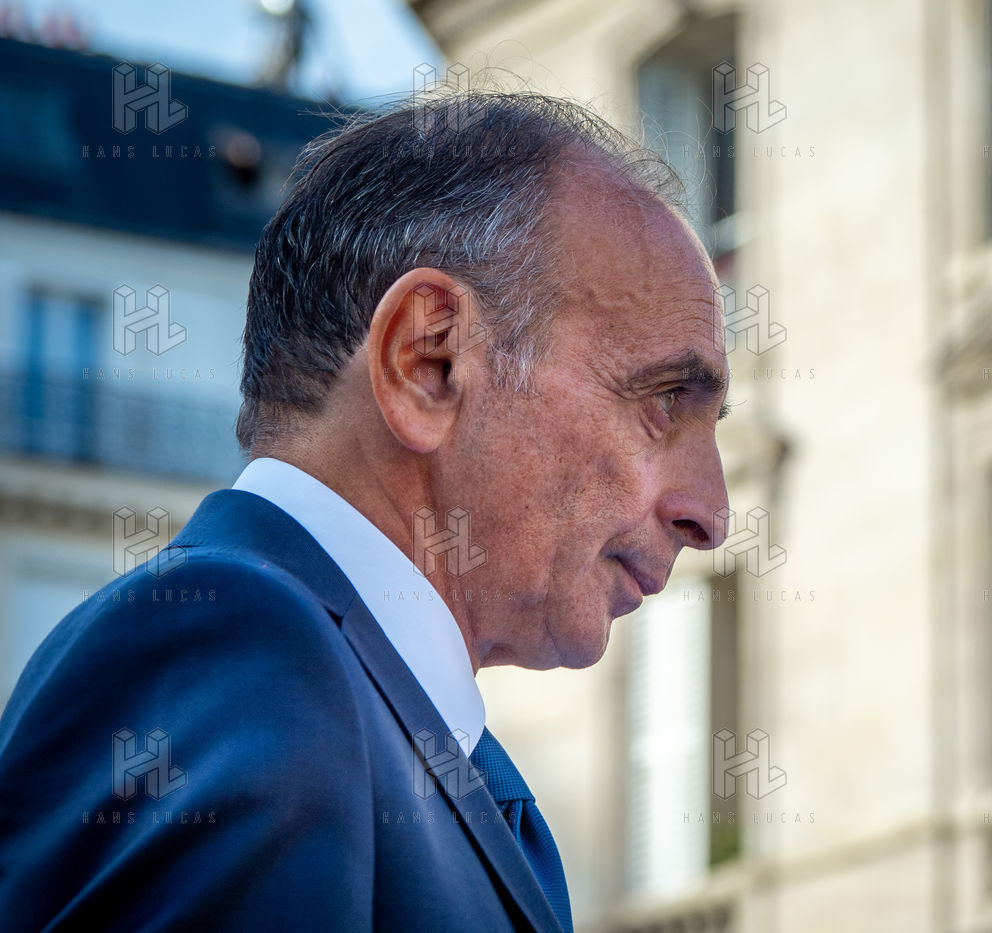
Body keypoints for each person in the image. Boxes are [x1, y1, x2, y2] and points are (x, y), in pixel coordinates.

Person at [0, 90, 730, 932]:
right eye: (662, 402)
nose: (710, 512)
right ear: (429, 362)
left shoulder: (436, 760)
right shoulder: (245, 646)